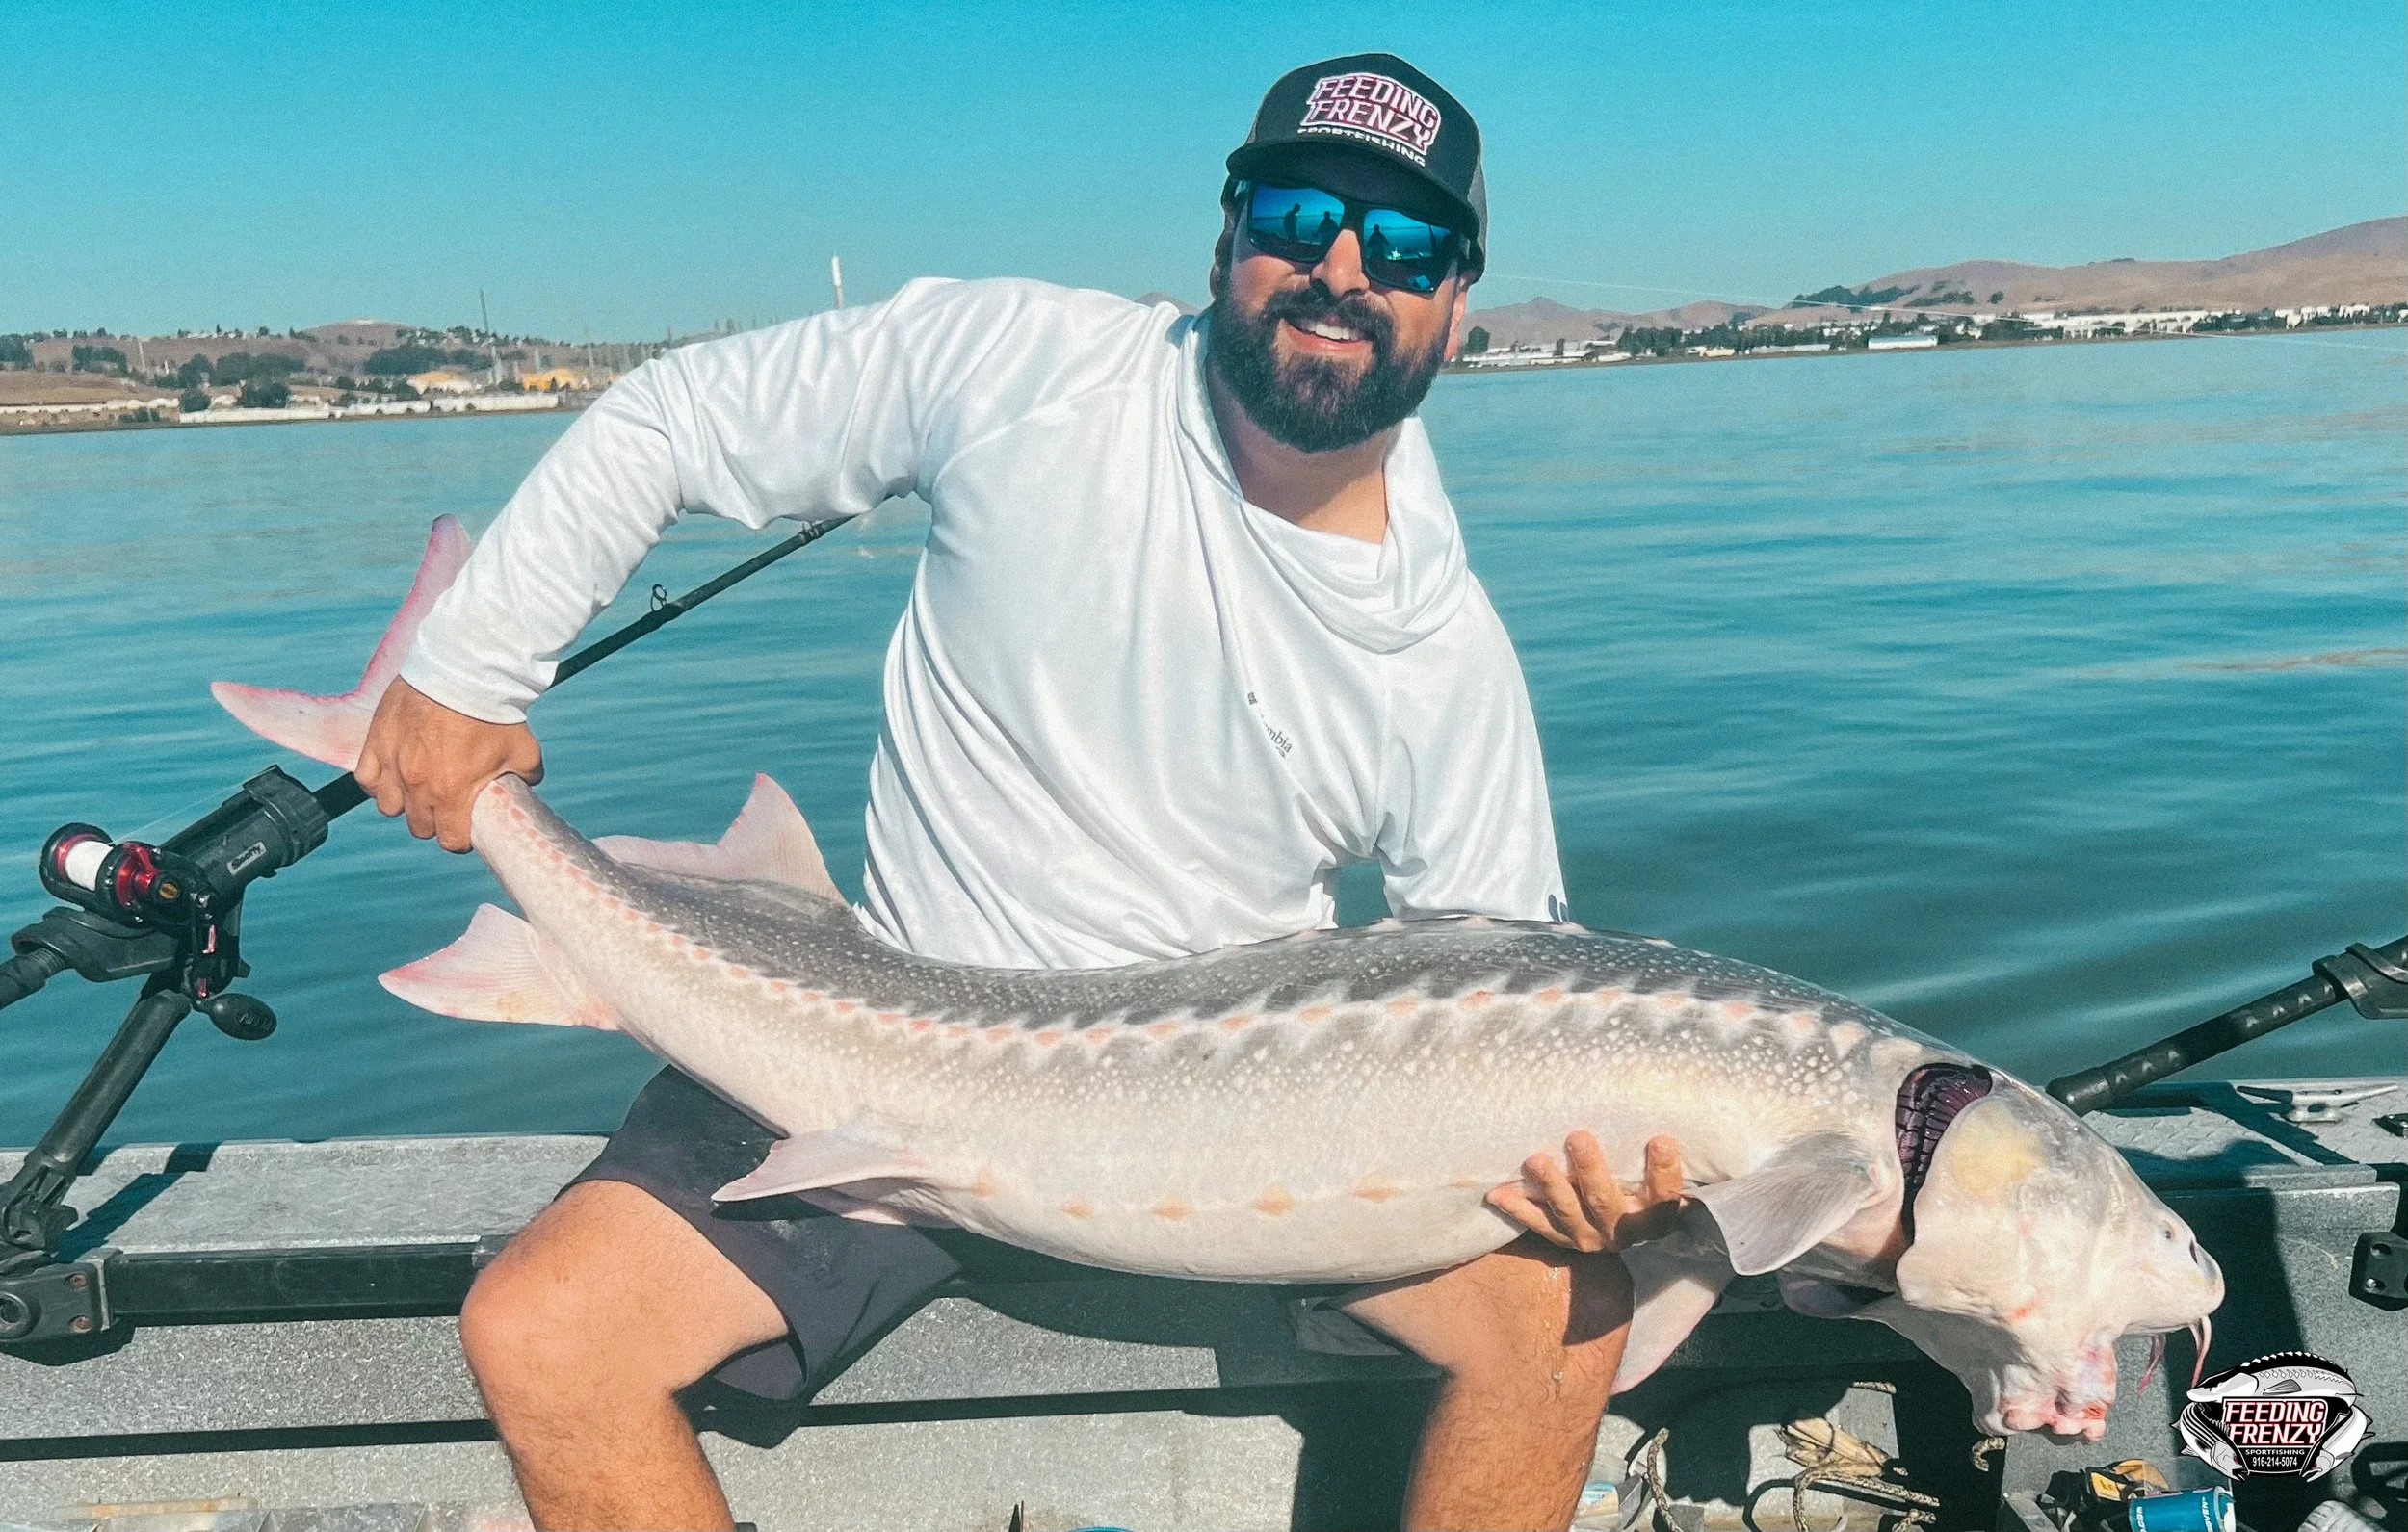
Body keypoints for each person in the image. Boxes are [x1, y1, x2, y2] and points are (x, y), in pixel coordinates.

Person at [358, 52, 1688, 1532]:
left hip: (1244, 1131)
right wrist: (470, 669)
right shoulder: (1023, 368)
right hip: (870, 1058)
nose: (1340, 269)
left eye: (1406, 245)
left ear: (1458, 302)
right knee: (539, 1331)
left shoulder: (1446, 653)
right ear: (1226, 235)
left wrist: (1579, 1166)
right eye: (1300, 215)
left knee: (1567, 1313)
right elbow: (673, 417)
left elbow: (1497, 986)